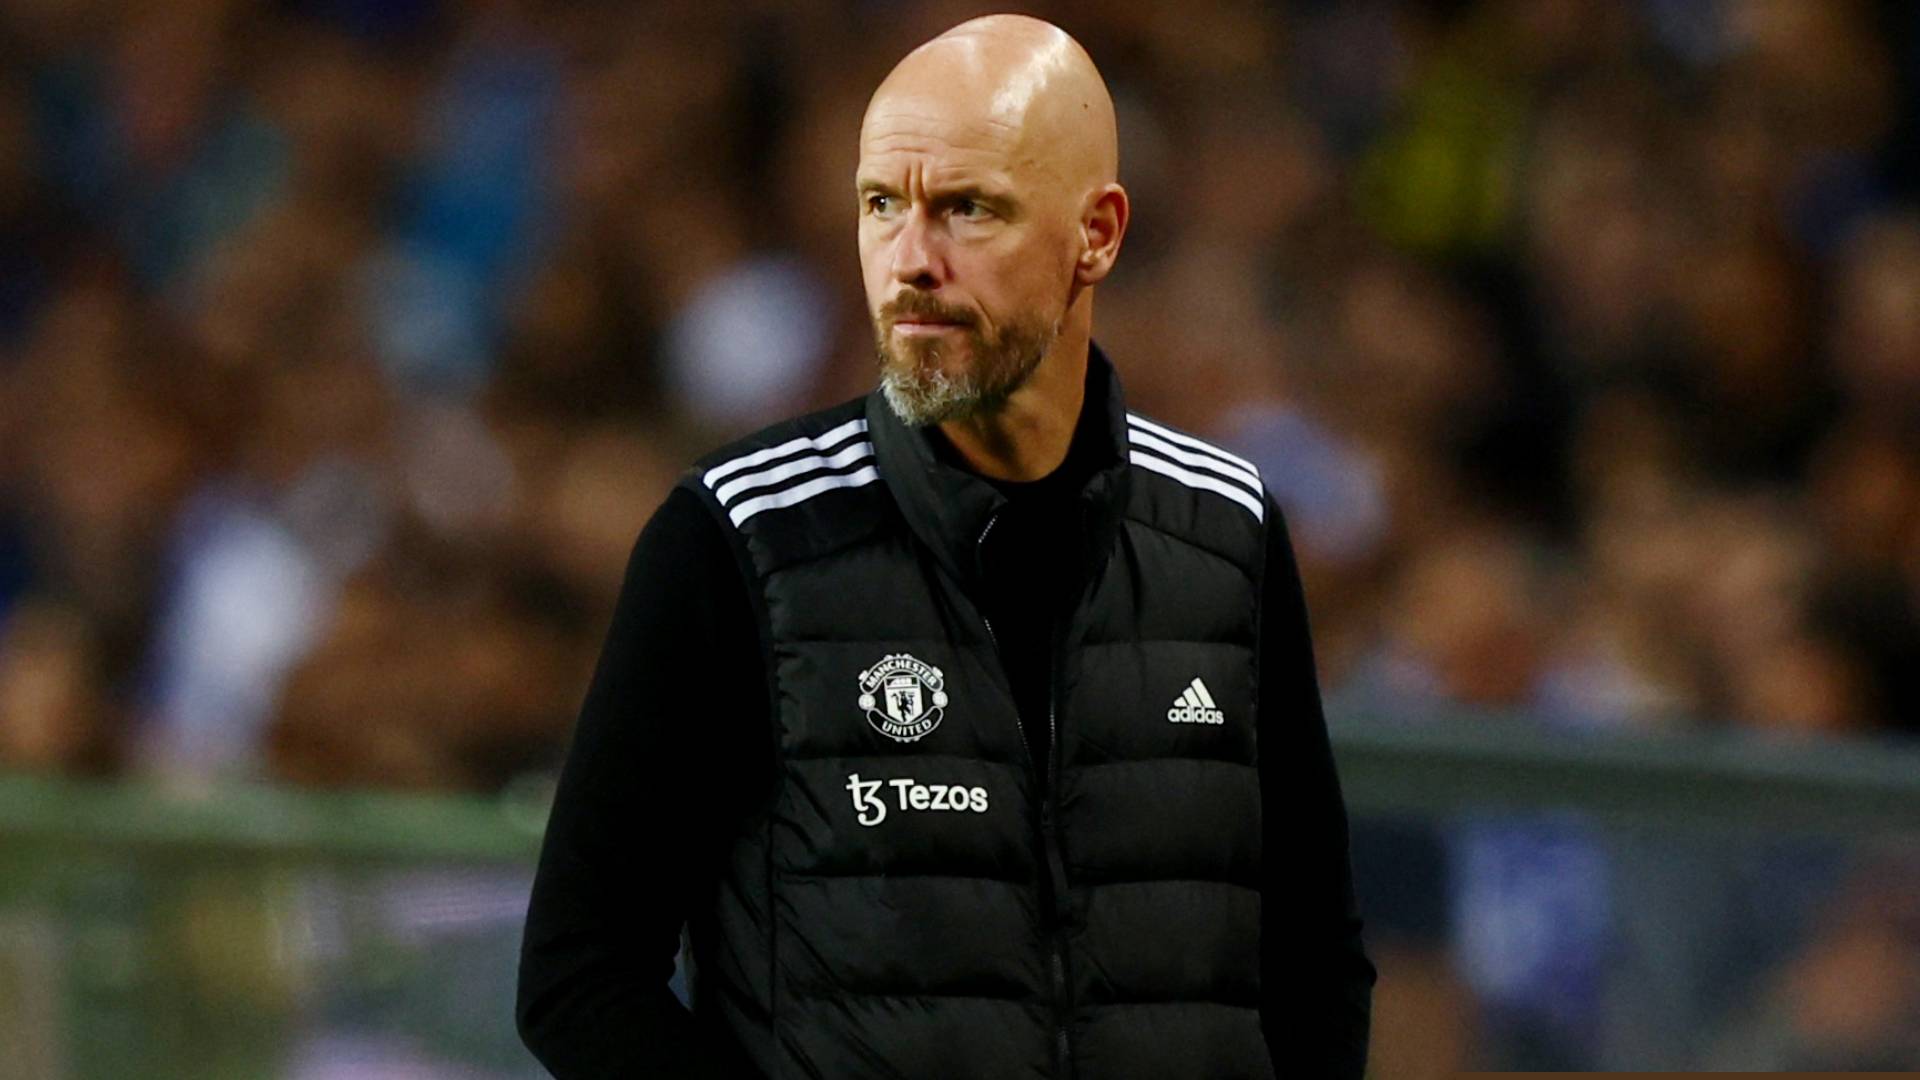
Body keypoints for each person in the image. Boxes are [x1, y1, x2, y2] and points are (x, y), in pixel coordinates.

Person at [516, 14, 1373, 1079]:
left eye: (969, 208)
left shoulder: (1226, 531)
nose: (911, 262)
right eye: (883, 205)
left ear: (1096, 234)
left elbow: (1314, 962)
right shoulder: (740, 538)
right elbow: (581, 973)